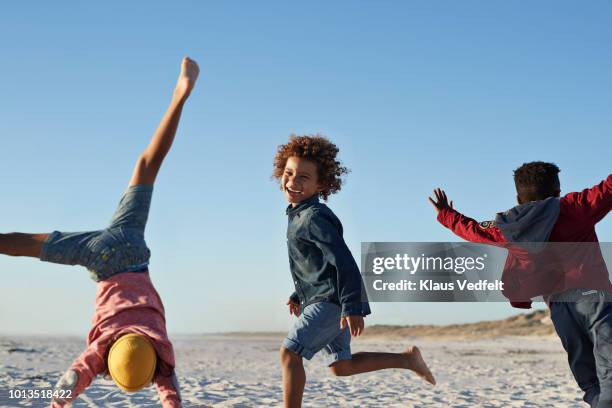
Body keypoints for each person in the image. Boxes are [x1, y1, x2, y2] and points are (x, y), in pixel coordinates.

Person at [0, 57, 200, 407]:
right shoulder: (105, 349)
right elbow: (71, 382)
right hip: (101, 259)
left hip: (131, 246)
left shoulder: (160, 355)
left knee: (146, 166)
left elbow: (172, 400)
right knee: (34, 246)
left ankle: (180, 96)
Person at [429, 162, 612, 407]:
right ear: (557, 190)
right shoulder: (573, 207)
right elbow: (608, 189)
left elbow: (472, 230)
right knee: (609, 368)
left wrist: (445, 213)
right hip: (594, 297)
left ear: (518, 196)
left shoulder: (509, 226)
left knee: (587, 375)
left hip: (559, 306)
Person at [274, 134, 436, 408]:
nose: (292, 181)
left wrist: (353, 307)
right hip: (326, 298)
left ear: (321, 184)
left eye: (303, 177)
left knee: (290, 354)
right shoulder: (299, 214)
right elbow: (319, 266)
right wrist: (299, 293)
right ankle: (406, 359)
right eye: (289, 173)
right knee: (342, 366)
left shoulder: (313, 217)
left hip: (332, 302)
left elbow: (344, 261)